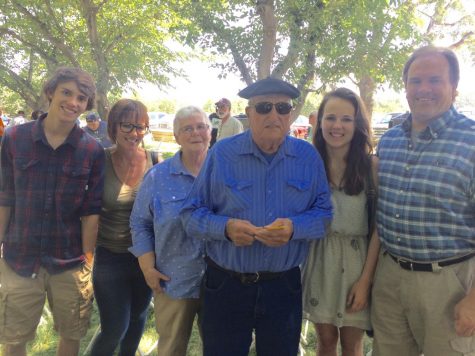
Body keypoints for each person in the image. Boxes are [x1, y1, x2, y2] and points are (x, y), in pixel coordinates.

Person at [181, 77, 333, 356]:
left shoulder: (308, 157)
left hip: (282, 286)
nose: (273, 115)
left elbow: (324, 215)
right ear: (249, 113)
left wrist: (294, 228)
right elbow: (190, 214)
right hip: (227, 283)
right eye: (263, 107)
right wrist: (225, 228)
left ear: (291, 115)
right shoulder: (222, 154)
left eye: (282, 108)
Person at [371, 46, 475, 356]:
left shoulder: (471, 143)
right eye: (415, 81)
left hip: (448, 284)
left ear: (453, 89)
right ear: (405, 87)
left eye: (434, 80)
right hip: (389, 277)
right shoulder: (389, 142)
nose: (424, 89)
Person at [0, 67, 105, 356]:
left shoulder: (92, 150)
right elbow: (4, 197)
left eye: (81, 98)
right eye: (67, 93)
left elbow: (91, 210)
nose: (73, 102)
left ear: (87, 105)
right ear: (50, 93)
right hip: (19, 257)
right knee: (14, 338)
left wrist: (88, 260)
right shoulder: (14, 138)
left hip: (70, 260)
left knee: (71, 336)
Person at [302, 88, 380, 356]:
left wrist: (365, 281)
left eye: (346, 119)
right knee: (324, 340)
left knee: (351, 342)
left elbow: (378, 229)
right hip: (320, 259)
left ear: (357, 125)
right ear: (319, 121)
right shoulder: (309, 165)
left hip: (358, 264)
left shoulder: (371, 168)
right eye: (330, 117)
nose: (337, 126)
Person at [130, 106, 211, 355]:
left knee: (221, 347)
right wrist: (147, 267)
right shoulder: (158, 177)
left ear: (211, 131)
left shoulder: (227, 172)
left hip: (221, 281)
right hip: (174, 281)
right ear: (176, 137)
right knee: (172, 348)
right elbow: (140, 222)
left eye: (201, 126)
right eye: (187, 128)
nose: (195, 133)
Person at [88, 99, 154, 356]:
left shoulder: (154, 161)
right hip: (109, 256)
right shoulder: (99, 159)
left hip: (145, 257)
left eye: (141, 127)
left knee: (138, 320)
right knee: (115, 327)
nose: (135, 133)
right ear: (114, 126)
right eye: (128, 126)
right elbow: (86, 210)